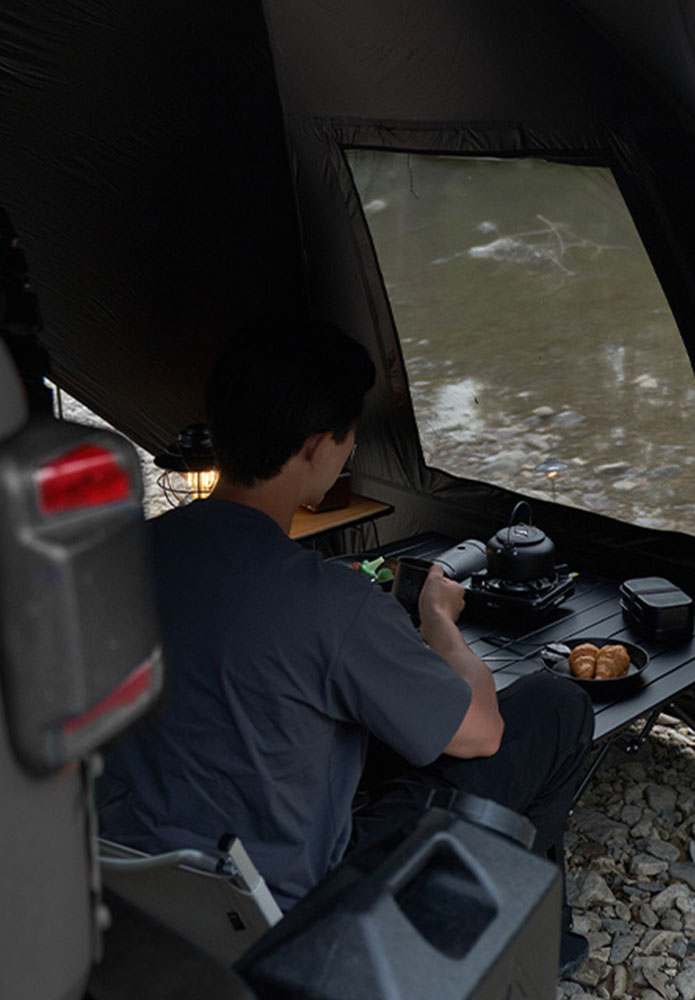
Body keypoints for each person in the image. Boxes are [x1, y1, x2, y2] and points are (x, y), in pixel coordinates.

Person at [97, 317, 593, 974]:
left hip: (132, 887)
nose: (351, 452)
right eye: (348, 438)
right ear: (314, 448)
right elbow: (480, 735)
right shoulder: (327, 601)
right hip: (292, 921)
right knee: (555, 705)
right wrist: (440, 625)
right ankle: (513, 939)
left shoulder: (120, 557)